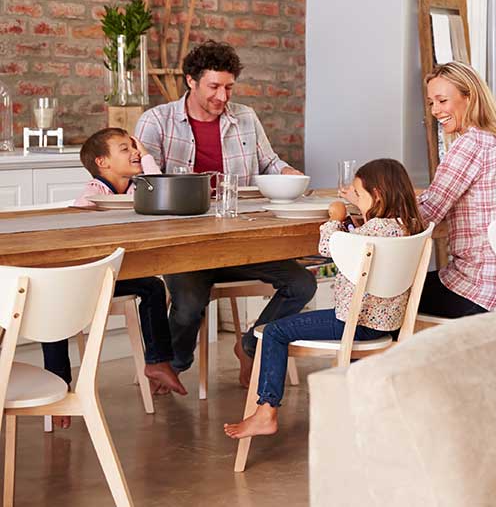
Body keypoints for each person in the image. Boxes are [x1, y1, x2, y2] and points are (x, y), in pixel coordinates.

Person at [135, 40, 317, 387]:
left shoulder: (245, 118)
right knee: (188, 303)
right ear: (191, 80)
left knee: (302, 283)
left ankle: (251, 345)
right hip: (187, 245)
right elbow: (143, 184)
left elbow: (269, 162)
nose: (222, 96)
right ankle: (175, 363)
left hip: (240, 239)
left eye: (229, 87)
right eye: (214, 86)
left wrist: (287, 172)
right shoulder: (156, 122)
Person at [223, 158, 426, 439]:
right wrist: (354, 222)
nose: (354, 199)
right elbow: (360, 243)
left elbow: (329, 247)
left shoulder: (372, 232)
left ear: (377, 194)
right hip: (387, 326)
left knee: (273, 331)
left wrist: (334, 218)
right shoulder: (408, 226)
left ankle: (266, 410)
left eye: (358, 194)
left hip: (353, 324)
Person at [43, 128, 188, 429]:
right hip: (76, 276)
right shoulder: (91, 196)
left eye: (134, 147)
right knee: (54, 309)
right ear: (103, 162)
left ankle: (157, 360)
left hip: (108, 275)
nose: (135, 152)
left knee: (152, 286)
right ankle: (58, 389)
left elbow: (161, 190)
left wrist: (146, 156)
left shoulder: (137, 189)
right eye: (125, 148)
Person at [416, 62, 496, 318]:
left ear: (469, 97)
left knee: (384, 297)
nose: (435, 110)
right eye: (431, 103)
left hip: (480, 291)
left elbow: (426, 213)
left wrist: (373, 206)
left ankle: (384, 358)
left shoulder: (472, 143)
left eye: (442, 100)